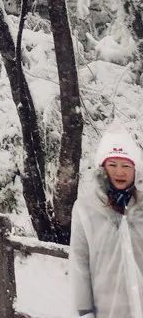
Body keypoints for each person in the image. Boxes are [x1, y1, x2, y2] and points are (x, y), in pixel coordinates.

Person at [70, 122, 143, 317]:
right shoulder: (85, 208)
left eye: (126, 165)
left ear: (136, 170)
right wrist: (84, 311)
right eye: (113, 164)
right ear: (102, 168)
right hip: (108, 311)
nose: (120, 171)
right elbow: (79, 261)